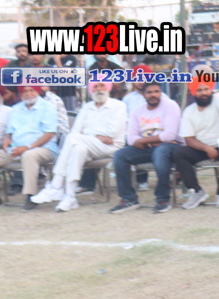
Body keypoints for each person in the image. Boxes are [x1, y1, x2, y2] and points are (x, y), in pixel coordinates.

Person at [31, 80, 127, 211]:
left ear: (108, 88)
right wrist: (97, 136)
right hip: (89, 145)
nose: (99, 89)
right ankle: (70, 197)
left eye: (102, 85)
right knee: (78, 149)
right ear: (91, 90)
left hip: (111, 147)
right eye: (95, 86)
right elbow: (75, 130)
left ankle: (56, 185)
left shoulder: (119, 106)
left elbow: (112, 133)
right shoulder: (86, 107)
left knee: (72, 139)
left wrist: (87, 133)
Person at [110, 81, 183, 214]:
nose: (153, 95)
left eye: (156, 91)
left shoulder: (170, 105)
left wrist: (144, 140)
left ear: (161, 93)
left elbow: (170, 135)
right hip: (148, 147)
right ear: (143, 94)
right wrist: (152, 142)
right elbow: (131, 138)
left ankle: (162, 199)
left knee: (160, 153)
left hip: (170, 147)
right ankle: (128, 199)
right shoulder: (137, 110)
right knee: (120, 155)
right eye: (149, 92)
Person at [174, 79, 219, 210]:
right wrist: (207, 148)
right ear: (193, 92)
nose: (204, 93)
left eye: (206, 89)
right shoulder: (189, 111)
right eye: (199, 90)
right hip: (201, 148)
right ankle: (196, 191)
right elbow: (189, 139)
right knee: (179, 153)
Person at [0, 86, 59, 210]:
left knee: (29, 155)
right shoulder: (16, 109)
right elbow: (9, 132)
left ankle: (30, 196)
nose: (28, 94)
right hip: (16, 149)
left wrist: (27, 147)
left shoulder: (48, 107)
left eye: (32, 90)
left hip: (44, 148)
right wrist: (6, 140)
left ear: (38, 91)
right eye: (25, 91)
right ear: (21, 93)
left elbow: (49, 134)